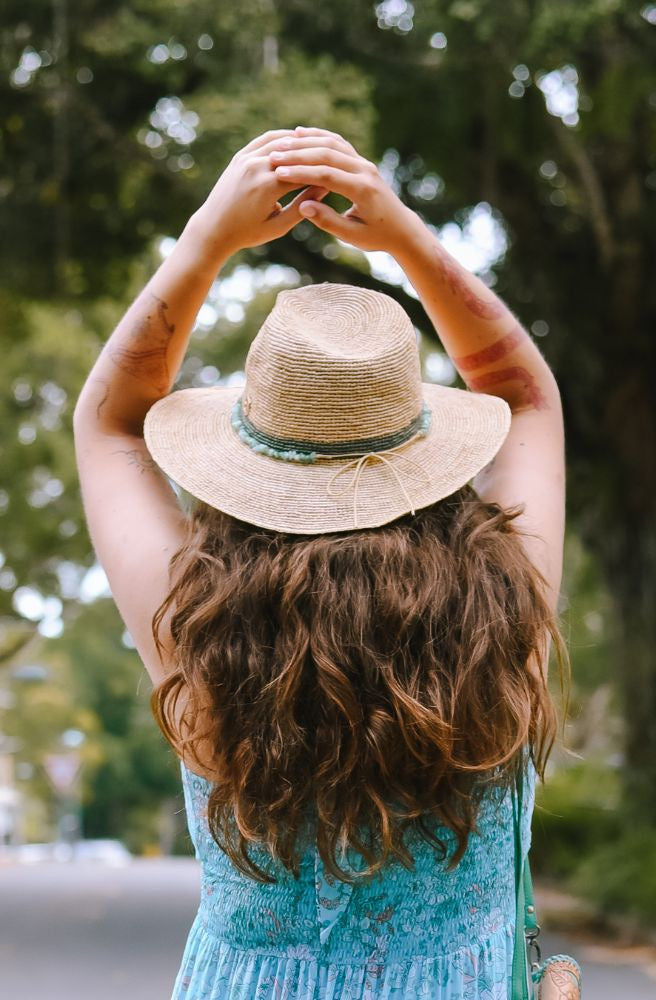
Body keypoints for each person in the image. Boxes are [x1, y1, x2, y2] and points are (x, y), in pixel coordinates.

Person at [73, 125, 567, 999]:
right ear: (429, 459)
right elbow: (525, 395)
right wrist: (403, 234)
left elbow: (110, 421)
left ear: (247, 476)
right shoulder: (506, 629)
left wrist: (208, 237)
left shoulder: (200, 646)